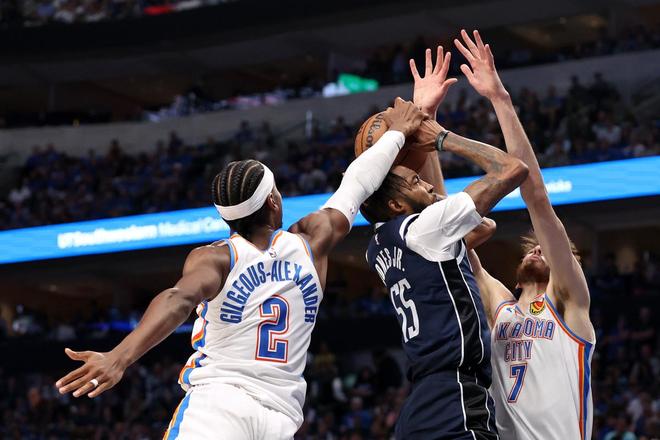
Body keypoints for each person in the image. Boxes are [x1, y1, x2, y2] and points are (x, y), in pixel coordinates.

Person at [55, 98, 427, 439]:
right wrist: (398, 133)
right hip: (279, 419)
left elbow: (177, 298)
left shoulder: (216, 258)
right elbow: (357, 183)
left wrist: (119, 358)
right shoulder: (310, 241)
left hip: (220, 407)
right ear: (273, 201)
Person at [362, 46, 529, 438]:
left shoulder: (380, 244)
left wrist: (425, 117)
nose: (425, 183)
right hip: (456, 396)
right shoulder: (423, 230)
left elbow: (479, 229)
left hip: (421, 403)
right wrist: (439, 138)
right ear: (396, 204)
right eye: (414, 181)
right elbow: (512, 169)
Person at [454, 29, 596, 439]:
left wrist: (499, 98)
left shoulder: (567, 302)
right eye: (532, 248)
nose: (537, 249)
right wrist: (426, 128)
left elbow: (535, 196)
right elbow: (445, 234)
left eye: (548, 250)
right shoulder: (502, 309)